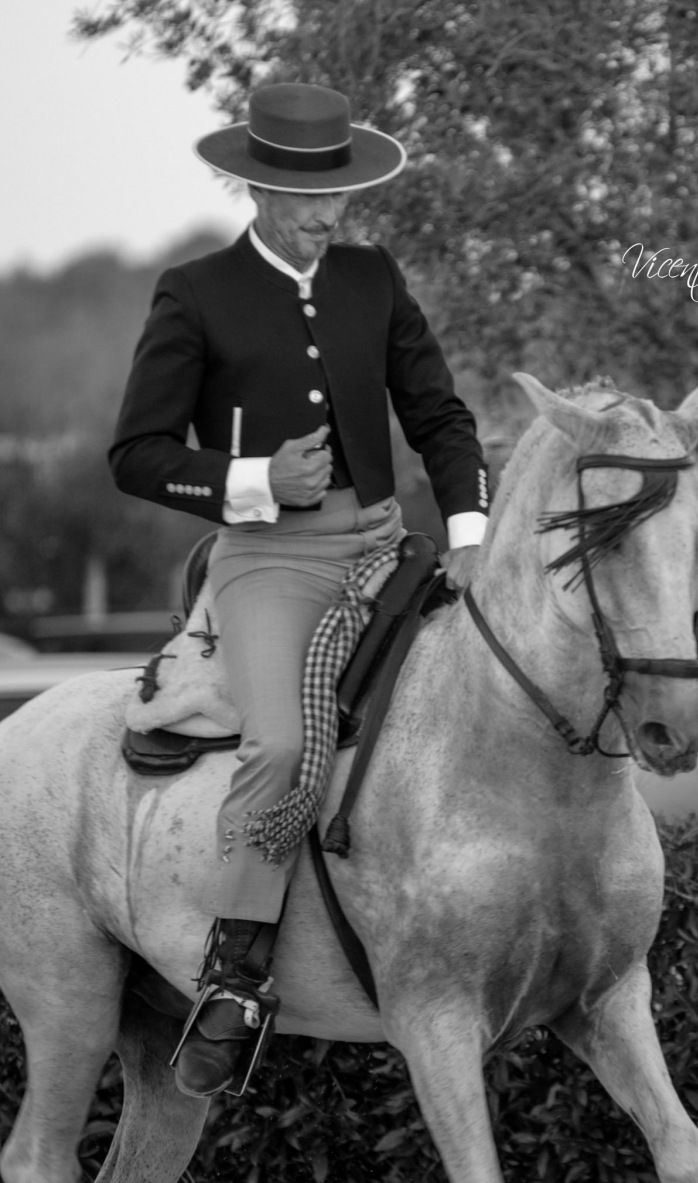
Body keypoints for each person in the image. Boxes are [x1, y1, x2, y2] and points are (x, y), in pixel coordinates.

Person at [109, 81, 489, 1098]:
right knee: (281, 744)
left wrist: (470, 533)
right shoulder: (195, 292)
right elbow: (136, 454)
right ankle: (233, 978)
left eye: (339, 196)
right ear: (255, 188)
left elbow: (439, 417)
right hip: (269, 560)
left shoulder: (373, 276)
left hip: (383, 545)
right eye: (307, 198)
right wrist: (256, 479)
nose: (328, 216)